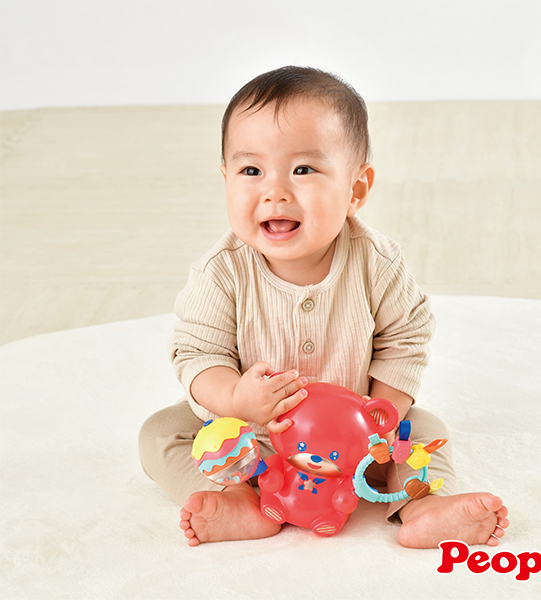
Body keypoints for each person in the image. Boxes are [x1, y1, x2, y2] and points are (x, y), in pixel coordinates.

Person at [138, 66, 509, 548]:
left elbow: (405, 341)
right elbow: (197, 353)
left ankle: (422, 506)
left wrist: (380, 417)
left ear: (356, 190)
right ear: (226, 179)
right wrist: (235, 399)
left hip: (355, 443)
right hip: (254, 444)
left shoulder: (377, 263)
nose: (275, 191)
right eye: (251, 171)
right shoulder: (221, 271)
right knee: (161, 432)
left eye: (303, 170)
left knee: (423, 430)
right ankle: (237, 498)